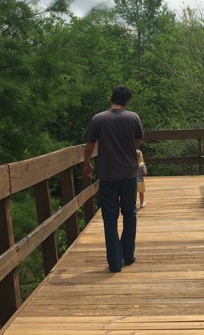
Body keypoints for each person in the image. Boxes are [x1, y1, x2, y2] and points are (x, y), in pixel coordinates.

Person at [83, 85, 144, 273]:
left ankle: (115, 263)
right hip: (129, 173)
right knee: (130, 213)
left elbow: (89, 145)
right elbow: (138, 141)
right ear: (127, 101)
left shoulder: (98, 119)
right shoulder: (133, 118)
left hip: (107, 175)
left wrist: (87, 163)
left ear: (111, 97)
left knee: (110, 219)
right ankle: (128, 254)